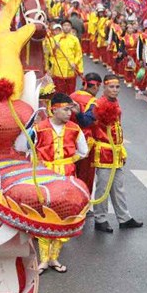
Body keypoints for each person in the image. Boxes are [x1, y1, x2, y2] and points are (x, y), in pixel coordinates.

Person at [23, 93, 88, 274]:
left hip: (66, 178)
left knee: (63, 216)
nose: (70, 113)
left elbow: (84, 151)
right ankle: (43, 259)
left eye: (71, 109)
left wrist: (67, 162)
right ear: (54, 109)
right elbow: (24, 148)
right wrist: (37, 164)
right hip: (45, 178)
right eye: (66, 109)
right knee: (44, 215)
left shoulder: (75, 129)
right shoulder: (38, 129)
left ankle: (54, 257)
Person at [91, 74, 143, 233]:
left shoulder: (115, 102)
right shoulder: (98, 104)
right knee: (103, 187)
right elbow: (93, 126)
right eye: (111, 87)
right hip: (105, 150)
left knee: (118, 186)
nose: (115, 90)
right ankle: (100, 219)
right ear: (104, 87)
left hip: (117, 150)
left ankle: (124, 217)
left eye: (117, 87)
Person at [47, 20, 83, 95]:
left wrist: (75, 63)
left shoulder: (75, 39)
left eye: (68, 25)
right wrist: (55, 47)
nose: (66, 27)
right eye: (65, 25)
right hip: (58, 68)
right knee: (59, 90)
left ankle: (70, 105)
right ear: (62, 27)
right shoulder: (55, 39)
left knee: (71, 90)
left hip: (71, 68)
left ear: (71, 27)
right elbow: (50, 53)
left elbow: (78, 54)